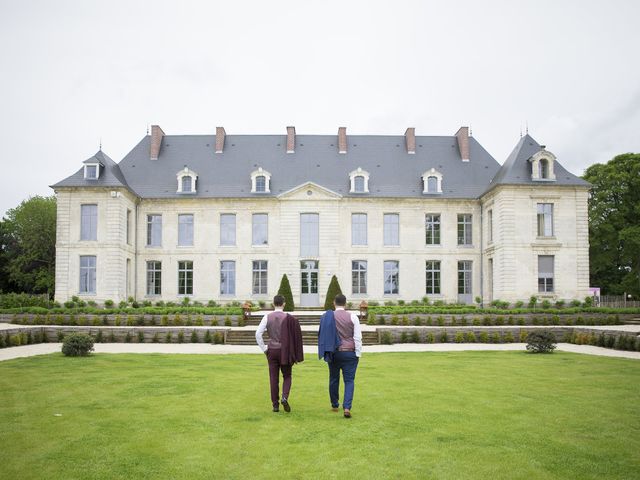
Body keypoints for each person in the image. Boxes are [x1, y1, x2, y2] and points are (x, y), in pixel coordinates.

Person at [256, 295, 303, 412]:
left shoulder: (267, 317)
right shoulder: (288, 318)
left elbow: (258, 334)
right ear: (284, 304)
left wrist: (264, 349)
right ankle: (284, 397)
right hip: (285, 350)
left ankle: (275, 405)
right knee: (287, 375)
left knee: (273, 378)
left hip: (272, 349)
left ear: (273, 304)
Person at [318, 294, 362, 418]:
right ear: (346, 303)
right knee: (349, 381)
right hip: (349, 352)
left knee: (333, 379)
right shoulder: (352, 317)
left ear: (334, 303)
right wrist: (357, 353)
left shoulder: (327, 316)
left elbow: (323, 334)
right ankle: (347, 407)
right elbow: (357, 338)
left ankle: (335, 404)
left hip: (334, 352)